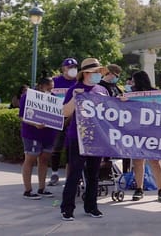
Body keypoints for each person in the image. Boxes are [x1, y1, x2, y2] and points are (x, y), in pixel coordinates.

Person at [60, 58, 109, 221]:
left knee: (94, 175)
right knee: (74, 174)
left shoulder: (102, 89)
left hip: (97, 138)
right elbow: (65, 112)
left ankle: (91, 206)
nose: (98, 75)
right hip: (78, 138)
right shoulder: (74, 89)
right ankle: (67, 208)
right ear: (86, 73)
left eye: (99, 72)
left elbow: (111, 112)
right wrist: (75, 97)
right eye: (96, 72)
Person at [129, 70, 161, 203]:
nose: (131, 83)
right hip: (137, 132)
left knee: (155, 162)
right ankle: (139, 188)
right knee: (138, 162)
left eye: (133, 81)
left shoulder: (156, 94)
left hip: (153, 133)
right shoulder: (131, 95)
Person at [19, 76, 56, 199]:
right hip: (32, 133)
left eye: (52, 88)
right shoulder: (28, 97)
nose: (50, 90)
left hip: (48, 134)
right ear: (40, 86)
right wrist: (35, 124)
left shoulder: (53, 98)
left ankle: (42, 188)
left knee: (44, 159)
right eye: (48, 88)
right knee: (30, 159)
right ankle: (28, 190)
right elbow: (22, 116)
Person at [48, 58, 78, 186]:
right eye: (69, 67)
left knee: (70, 149)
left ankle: (69, 177)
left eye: (74, 67)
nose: (72, 69)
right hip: (58, 120)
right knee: (56, 147)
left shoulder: (79, 82)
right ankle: (54, 174)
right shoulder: (55, 81)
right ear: (63, 68)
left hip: (75, 120)